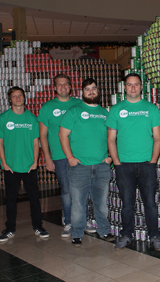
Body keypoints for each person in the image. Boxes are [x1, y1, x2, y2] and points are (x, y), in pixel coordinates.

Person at [106, 73, 160, 251]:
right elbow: (110, 139)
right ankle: (126, 234)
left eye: (136, 84)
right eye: (129, 85)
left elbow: (157, 138)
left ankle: (154, 236)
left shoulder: (151, 109)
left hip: (147, 164)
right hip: (124, 165)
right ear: (125, 87)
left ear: (141, 87)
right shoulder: (116, 109)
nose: (133, 88)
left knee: (150, 204)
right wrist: (116, 162)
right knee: (127, 204)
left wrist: (152, 161)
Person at [38, 74, 96, 237]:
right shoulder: (47, 107)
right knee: (66, 190)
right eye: (59, 84)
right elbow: (43, 135)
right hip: (59, 156)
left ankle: (83, 221)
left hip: (80, 155)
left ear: (71, 87)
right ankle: (69, 221)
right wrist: (47, 158)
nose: (63, 87)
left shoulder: (79, 104)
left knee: (82, 189)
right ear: (55, 88)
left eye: (66, 84)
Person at [59, 78, 113, 246]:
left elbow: (113, 137)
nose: (91, 91)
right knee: (78, 204)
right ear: (82, 92)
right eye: (87, 89)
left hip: (102, 166)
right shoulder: (74, 111)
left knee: (102, 203)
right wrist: (70, 158)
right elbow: (62, 135)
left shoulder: (105, 113)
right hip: (79, 167)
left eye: (94, 88)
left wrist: (110, 157)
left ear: (98, 91)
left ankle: (104, 230)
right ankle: (77, 233)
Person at [0, 86, 49, 243]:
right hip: (10, 166)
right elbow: (0, 143)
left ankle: (38, 226)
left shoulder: (32, 119)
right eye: (14, 96)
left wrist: (34, 163)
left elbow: (35, 142)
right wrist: (4, 163)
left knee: (34, 198)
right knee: (11, 199)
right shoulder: (3, 118)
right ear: (10, 99)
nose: (18, 98)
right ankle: (9, 229)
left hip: (28, 166)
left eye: (20, 95)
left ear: (25, 98)